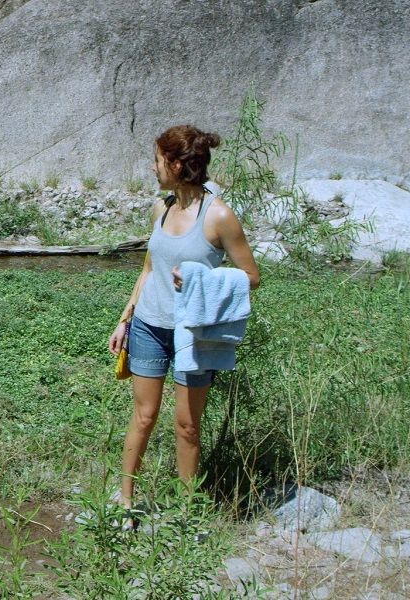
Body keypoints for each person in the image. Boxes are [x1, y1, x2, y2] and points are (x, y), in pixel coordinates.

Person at [107, 124, 260, 521]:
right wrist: (125, 318)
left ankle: (186, 514)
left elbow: (251, 277)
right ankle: (124, 501)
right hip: (148, 327)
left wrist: (201, 279)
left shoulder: (219, 216)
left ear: (176, 164)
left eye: (157, 160)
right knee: (143, 416)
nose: (153, 168)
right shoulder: (162, 207)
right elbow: (147, 268)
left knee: (188, 427)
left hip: (192, 335)